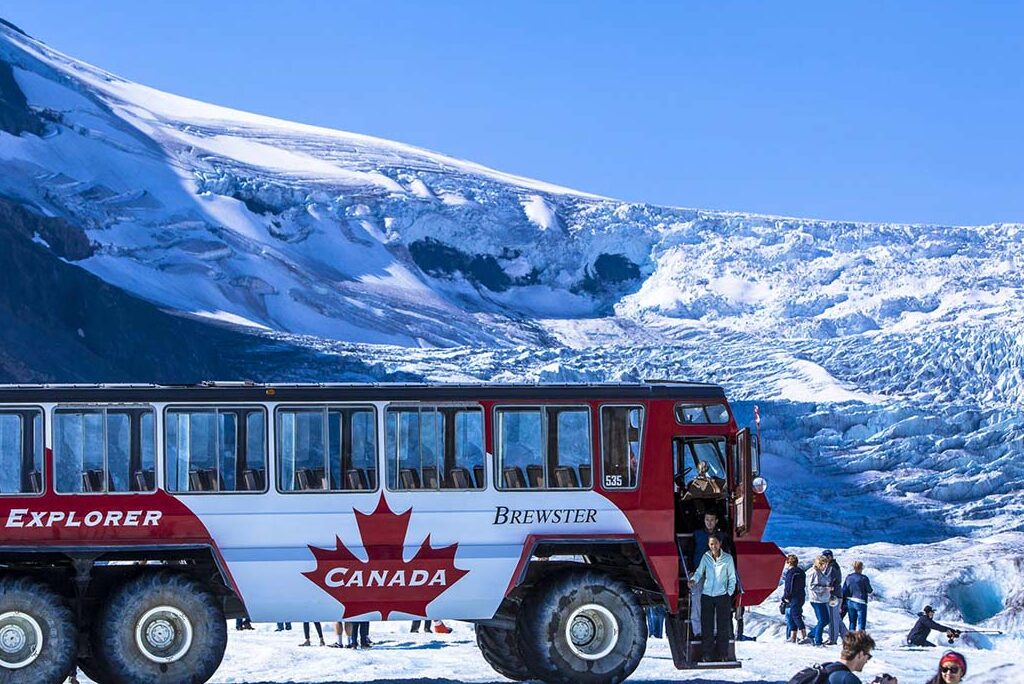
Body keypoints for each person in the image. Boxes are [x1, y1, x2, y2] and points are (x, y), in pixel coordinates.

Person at [687, 532, 736, 662]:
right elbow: (699, 572)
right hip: (707, 594)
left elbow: (732, 577)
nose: (713, 546)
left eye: (715, 543)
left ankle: (723, 654)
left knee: (722, 626)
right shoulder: (706, 557)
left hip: (722, 595)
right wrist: (693, 580)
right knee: (707, 626)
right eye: (711, 544)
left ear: (720, 544)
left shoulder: (728, 559)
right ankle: (707, 654)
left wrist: (729, 592)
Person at [789, 631, 895, 684]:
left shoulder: (828, 667)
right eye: (868, 656)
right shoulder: (847, 679)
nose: (867, 661)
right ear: (860, 654)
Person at [689, 510, 728, 637]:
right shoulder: (697, 534)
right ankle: (698, 631)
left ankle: (715, 631)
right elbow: (691, 552)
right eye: (707, 520)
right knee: (697, 601)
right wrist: (691, 569)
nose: (709, 523)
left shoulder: (722, 536)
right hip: (698, 572)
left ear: (716, 521)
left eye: (711, 520)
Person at [807, 555, 833, 646]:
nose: (825, 567)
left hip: (822, 599)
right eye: (824, 564)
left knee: (824, 620)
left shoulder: (820, 572)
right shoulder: (814, 572)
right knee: (823, 620)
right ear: (820, 564)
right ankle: (818, 641)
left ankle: (811, 635)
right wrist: (825, 589)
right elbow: (812, 587)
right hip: (816, 600)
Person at [823, 550, 847, 645]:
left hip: (834, 595)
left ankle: (832, 639)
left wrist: (826, 587)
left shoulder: (832, 567)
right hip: (837, 594)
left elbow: (831, 580)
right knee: (837, 618)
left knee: (833, 618)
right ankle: (847, 638)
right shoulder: (834, 565)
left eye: (824, 557)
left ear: (829, 557)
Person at [782, 554, 808, 643]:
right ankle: (793, 637)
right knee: (794, 615)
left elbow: (788, 586)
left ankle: (804, 636)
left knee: (795, 616)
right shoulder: (801, 572)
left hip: (793, 597)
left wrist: (786, 596)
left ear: (789, 562)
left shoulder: (791, 572)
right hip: (801, 595)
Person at [842, 561, 873, 631]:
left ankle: (851, 640)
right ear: (861, 568)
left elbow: (844, 589)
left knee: (852, 623)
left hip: (850, 601)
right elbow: (869, 590)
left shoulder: (848, 577)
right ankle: (860, 640)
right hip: (860, 601)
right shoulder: (864, 578)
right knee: (861, 624)